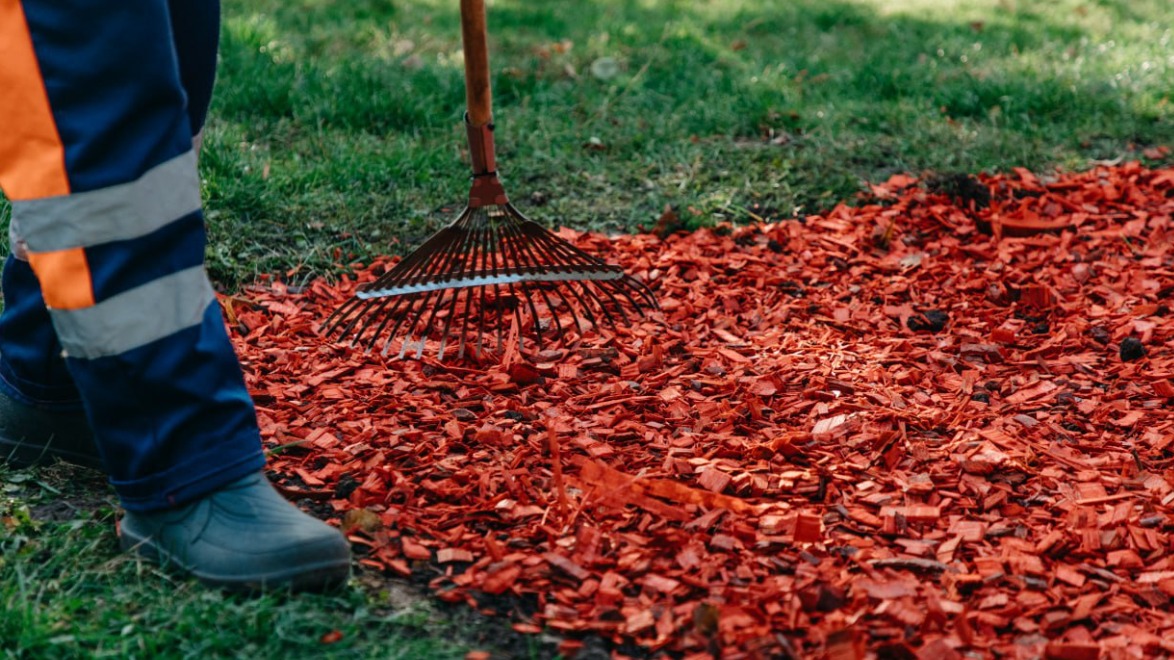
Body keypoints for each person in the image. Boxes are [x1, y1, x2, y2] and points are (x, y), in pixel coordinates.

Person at [0, 0, 351, 590]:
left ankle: (49, 374)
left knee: (171, 41)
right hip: (184, 451)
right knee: (93, 67)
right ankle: (183, 457)